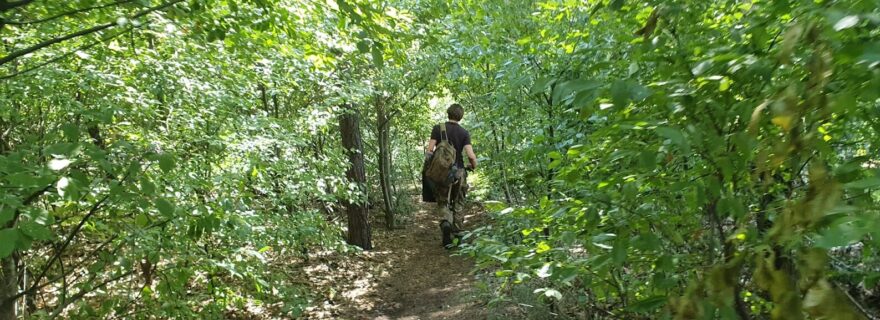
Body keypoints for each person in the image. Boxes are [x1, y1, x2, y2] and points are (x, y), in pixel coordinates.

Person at [424, 103, 478, 237]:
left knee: (443, 202)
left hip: (443, 173)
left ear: (448, 113)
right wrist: (473, 165)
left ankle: (446, 223)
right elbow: (470, 155)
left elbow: (429, 151)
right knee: (459, 202)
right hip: (459, 172)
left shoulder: (438, 128)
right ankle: (458, 233)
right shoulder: (464, 132)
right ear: (461, 116)